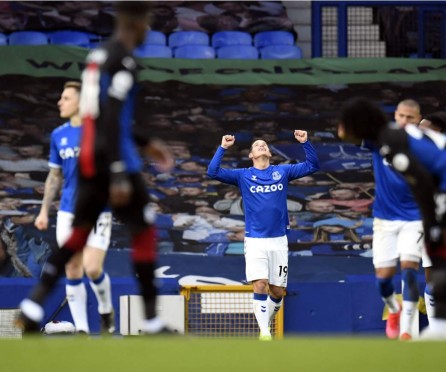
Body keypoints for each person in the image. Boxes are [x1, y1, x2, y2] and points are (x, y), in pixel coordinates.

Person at [17, 2, 175, 335]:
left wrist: (145, 141)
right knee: (144, 231)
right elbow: (113, 116)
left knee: (76, 238)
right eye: (147, 22)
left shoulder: (98, 56)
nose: (148, 29)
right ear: (138, 21)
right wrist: (119, 169)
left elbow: (100, 115)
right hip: (115, 161)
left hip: (90, 160)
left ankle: (33, 305)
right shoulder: (124, 61)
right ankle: (151, 319)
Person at [338, 97, 446, 339]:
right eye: (401, 116)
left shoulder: (396, 144)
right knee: (400, 271)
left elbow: (424, 184)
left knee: (437, 253)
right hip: (399, 212)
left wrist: (430, 221)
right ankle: (418, 321)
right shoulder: (384, 139)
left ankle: (438, 330)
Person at [207, 131, 319, 340]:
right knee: (260, 284)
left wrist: (306, 143)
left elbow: (313, 166)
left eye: (264, 144)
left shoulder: (282, 172)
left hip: (278, 240)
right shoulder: (243, 175)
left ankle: (265, 322)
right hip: (255, 239)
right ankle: (265, 333)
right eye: (257, 145)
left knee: (277, 292)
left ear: (269, 152)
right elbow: (213, 172)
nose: (261, 146)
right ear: (251, 155)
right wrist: (222, 147)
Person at [34, 81, 114, 334]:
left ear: (81, 101)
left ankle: (105, 309)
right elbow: (55, 176)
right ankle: (82, 331)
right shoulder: (59, 134)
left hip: (98, 209)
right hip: (68, 211)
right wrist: (44, 210)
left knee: (92, 268)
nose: (60, 102)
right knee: (72, 267)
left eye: (66, 98)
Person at [361, 99, 430, 341]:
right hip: (384, 220)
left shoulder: (427, 147)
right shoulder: (381, 138)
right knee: (383, 279)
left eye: (411, 118)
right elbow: (352, 132)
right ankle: (393, 309)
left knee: (410, 270)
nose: (405, 121)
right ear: (396, 115)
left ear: (418, 119)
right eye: (401, 116)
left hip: (414, 218)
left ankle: (406, 330)